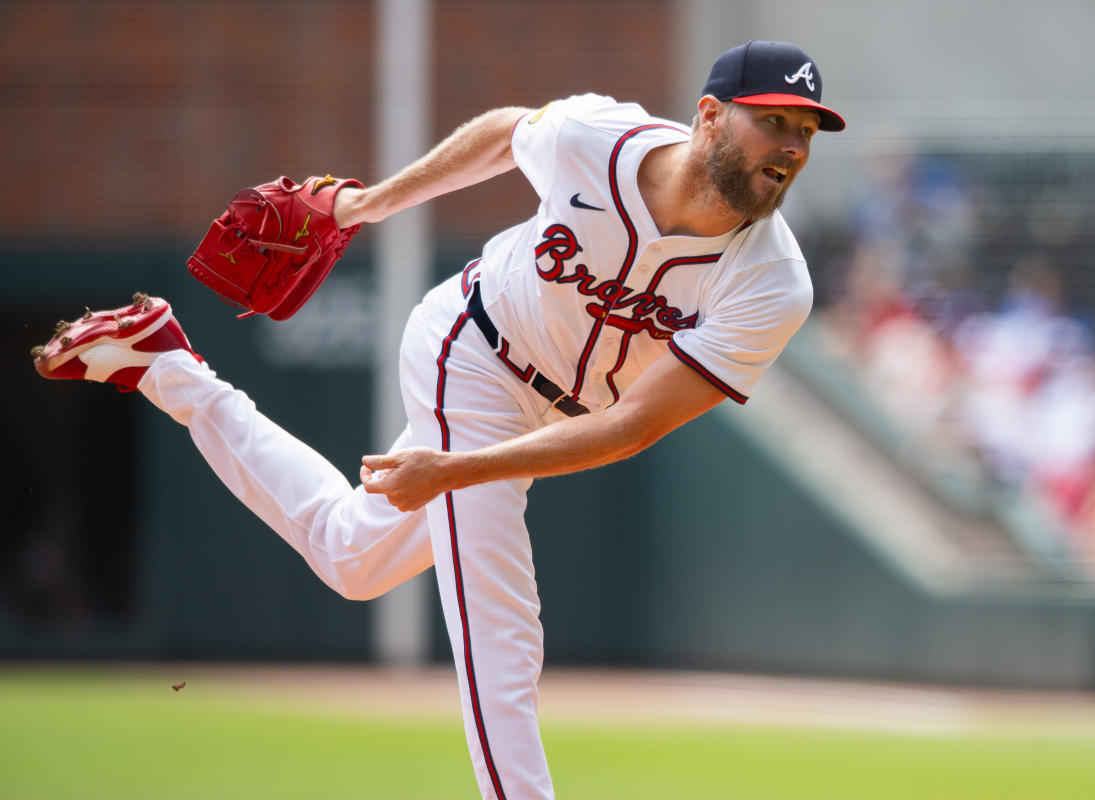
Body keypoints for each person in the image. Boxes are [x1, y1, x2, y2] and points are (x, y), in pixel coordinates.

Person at [32, 40, 844, 800]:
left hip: (550, 418)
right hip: (471, 348)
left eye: (806, 131)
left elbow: (633, 425)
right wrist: (367, 205)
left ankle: (167, 365)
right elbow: (502, 137)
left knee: (349, 556)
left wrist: (452, 473)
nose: (792, 146)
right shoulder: (600, 139)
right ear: (710, 115)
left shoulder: (772, 284)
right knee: (500, 623)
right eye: (771, 120)